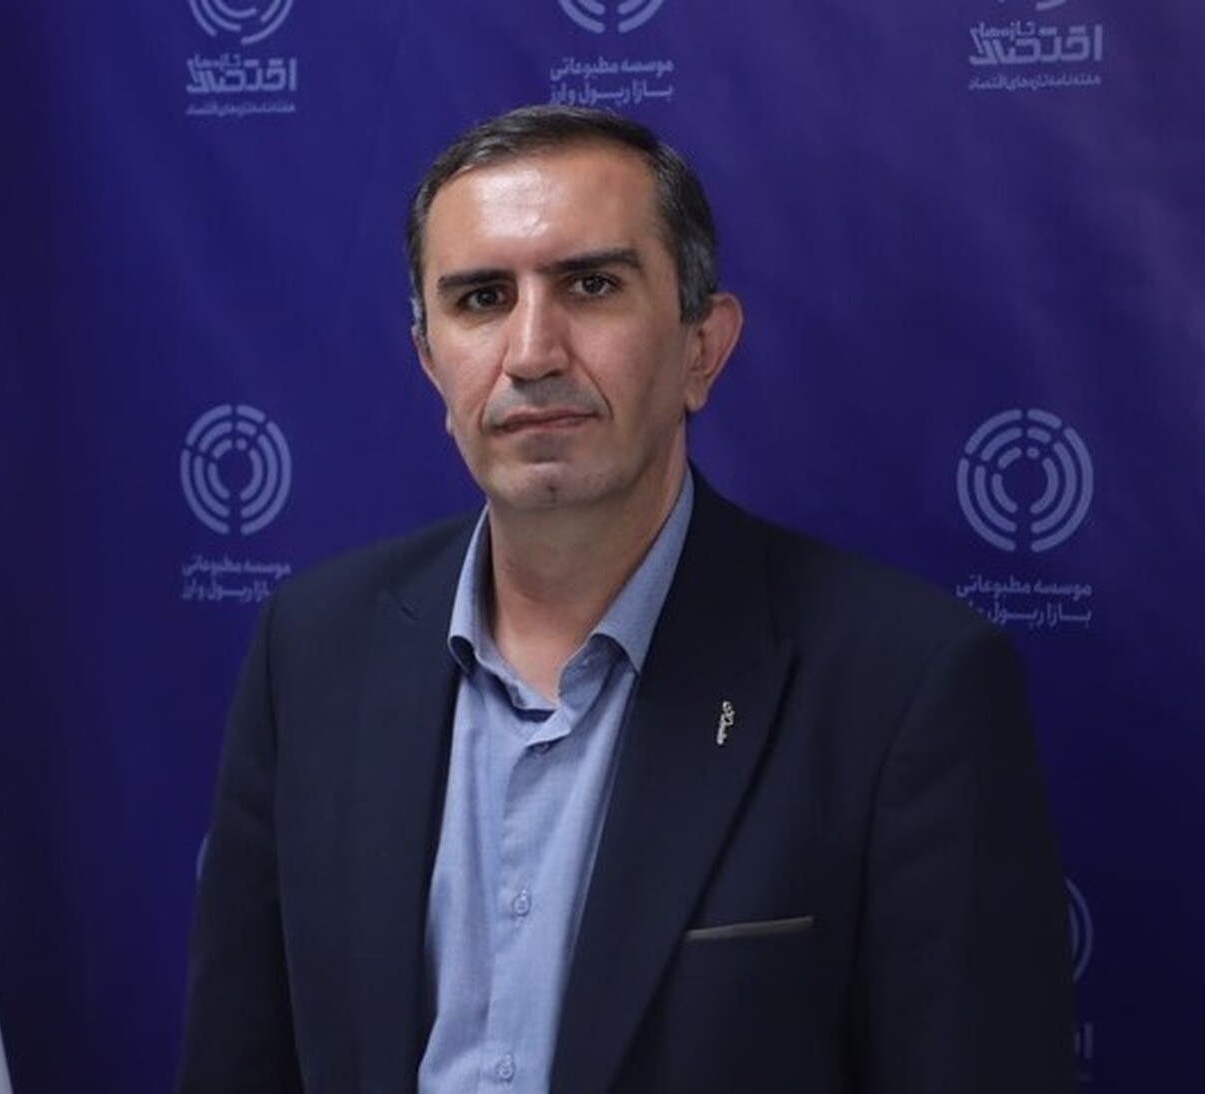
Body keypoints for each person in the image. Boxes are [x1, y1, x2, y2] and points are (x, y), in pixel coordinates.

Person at [177, 105, 1073, 1093]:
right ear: (431, 361)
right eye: (481, 299)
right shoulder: (311, 649)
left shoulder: (904, 686)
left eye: (591, 285)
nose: (532, 352)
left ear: (702, 347)